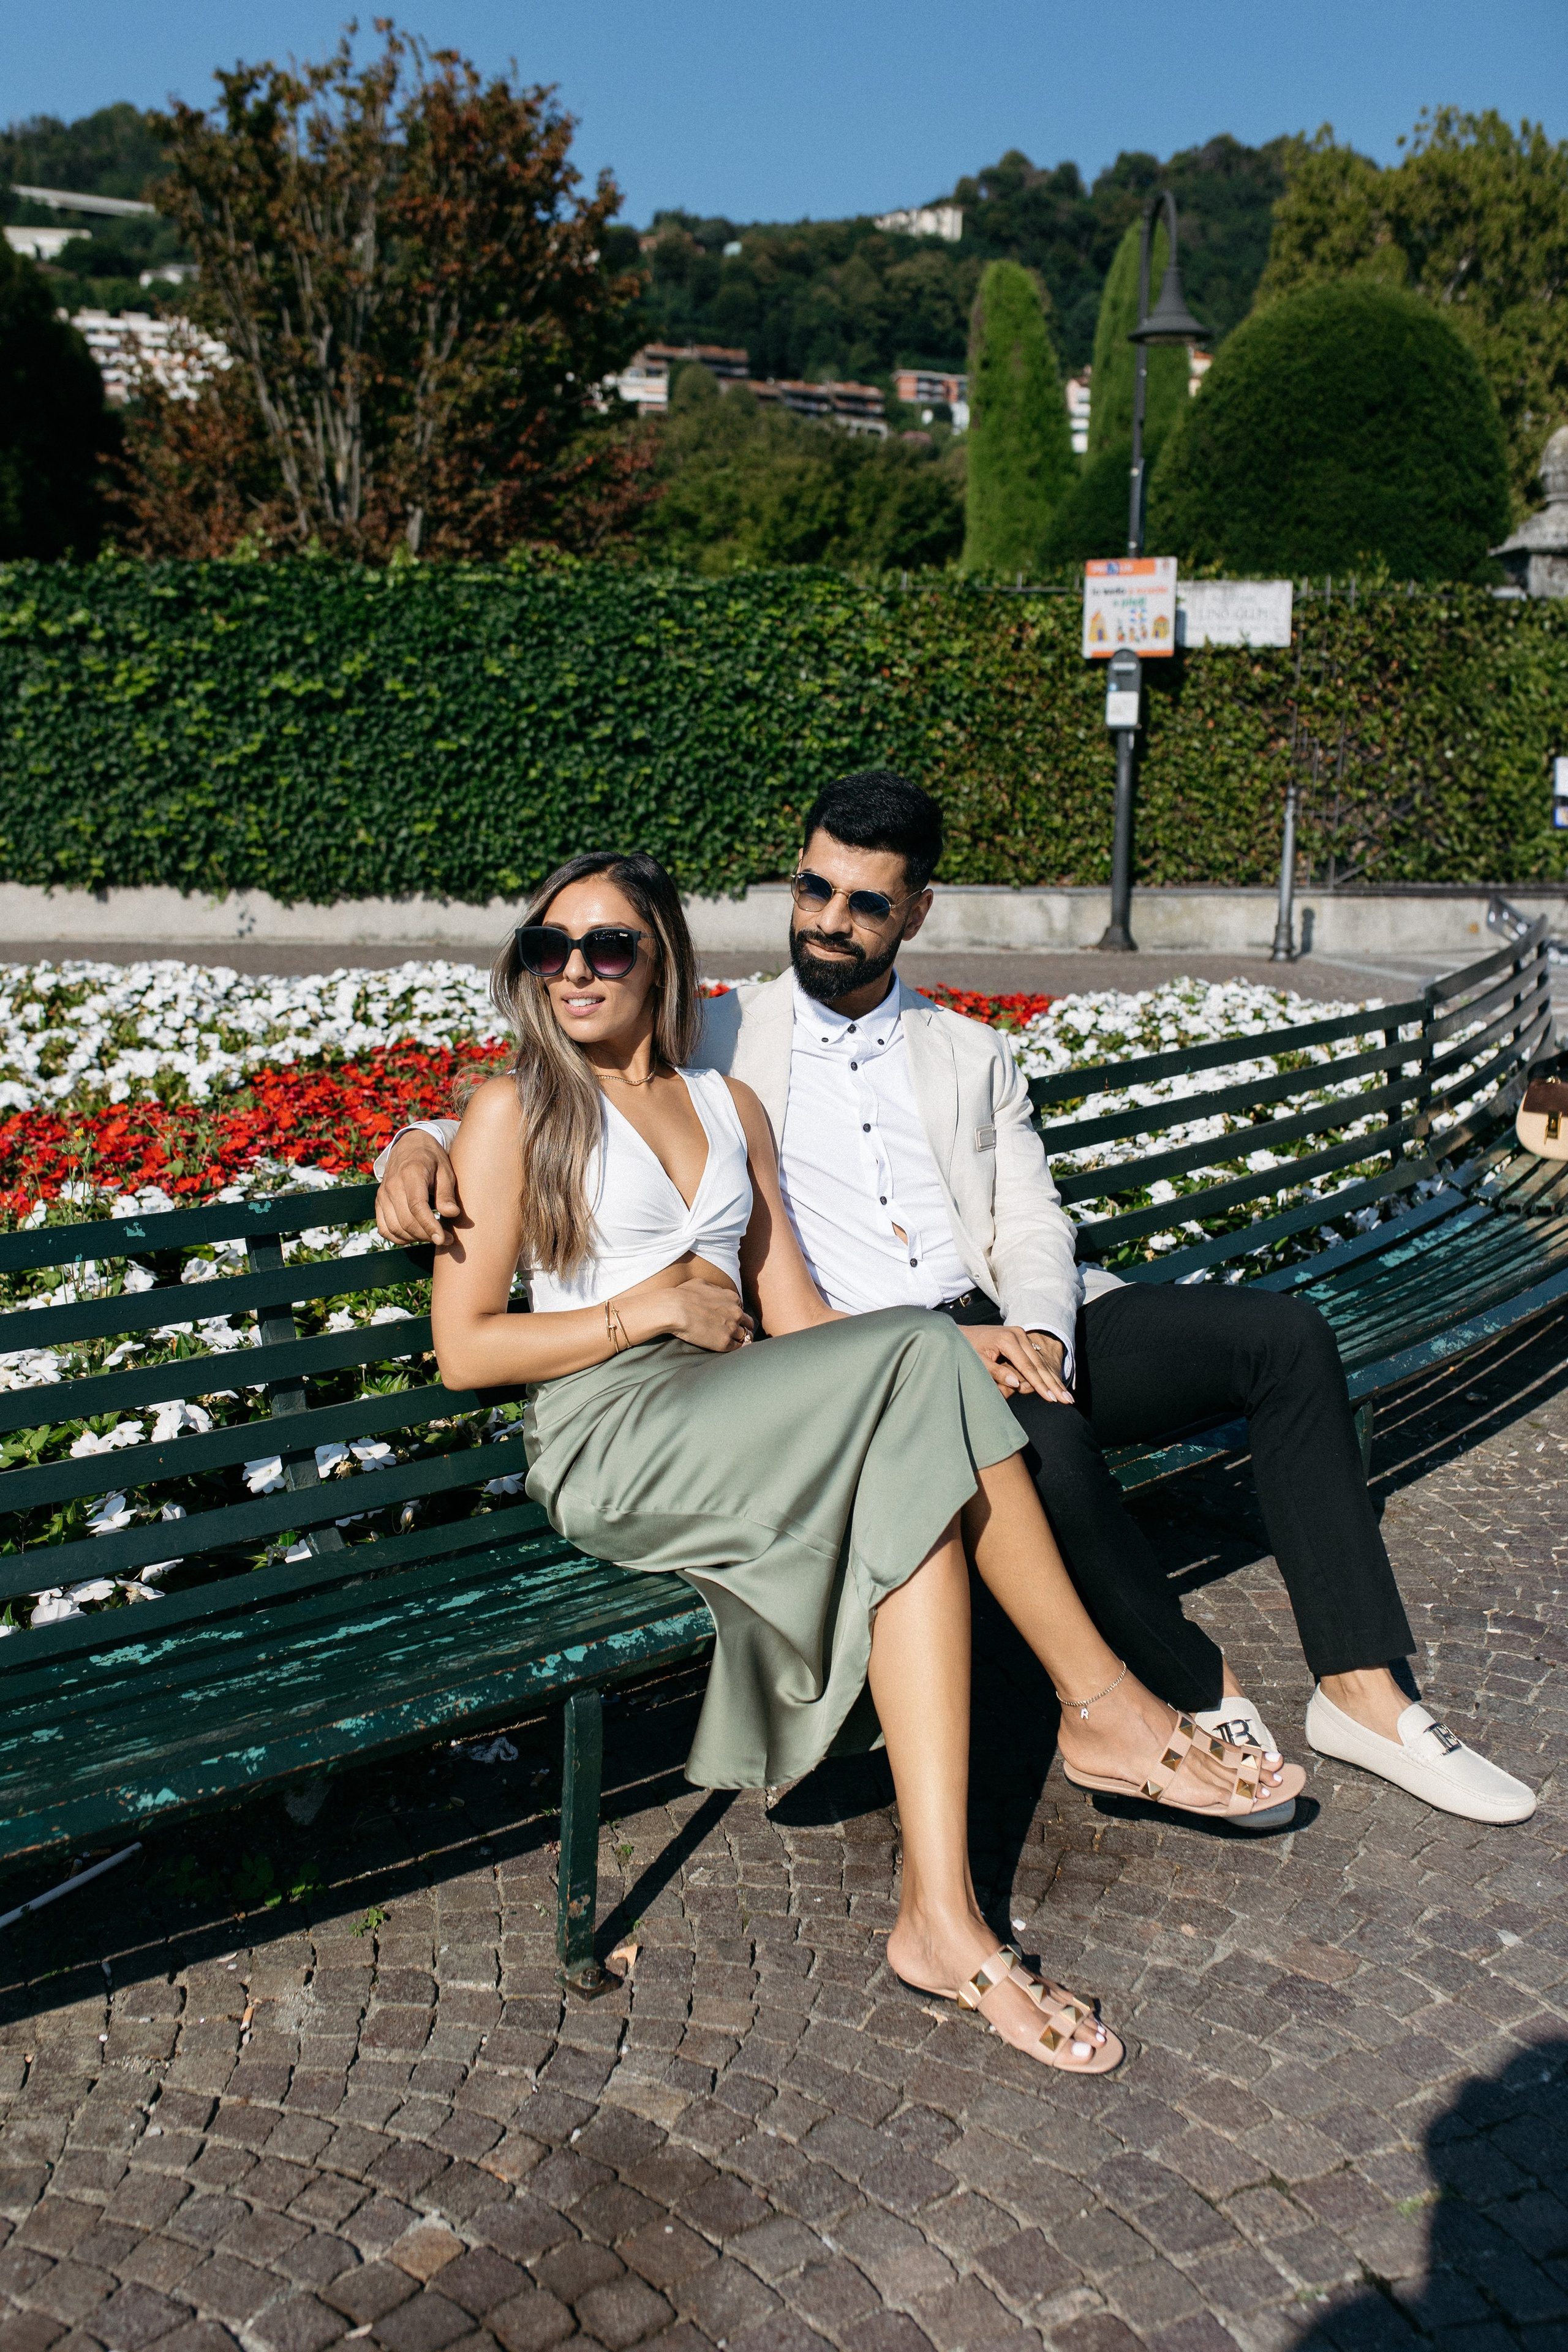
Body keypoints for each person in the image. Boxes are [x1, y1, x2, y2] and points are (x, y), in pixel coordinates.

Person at [384, 778, 1536, 1828]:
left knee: (1282, 1337)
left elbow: (1035, 1220)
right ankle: (1184, 1694)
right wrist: (418, 1142)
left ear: (915, 915)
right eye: (813, 890)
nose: (830, 920)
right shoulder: (730, 1032)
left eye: (864, 905)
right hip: (871, 1357)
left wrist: (1034, 1329)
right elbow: (566, 1082)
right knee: (1041, 1448)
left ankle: (1364, 1692)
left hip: (1006, 1314)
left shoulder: (972, 1053)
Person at [431, 847, 1310, 2078]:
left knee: (921, 1494)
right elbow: (464, 1348)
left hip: (737, 1407)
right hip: (611, 1431)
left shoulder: (723, 1109)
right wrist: (644, 1313)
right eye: (548, 947)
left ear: (660, 962)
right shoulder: (510, 1110)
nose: (574, 969)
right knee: (922, 1371)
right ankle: (1102, 1705)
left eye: (607, 947)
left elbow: (796, 1319)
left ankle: (938, 1919)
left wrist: (958, 1351)